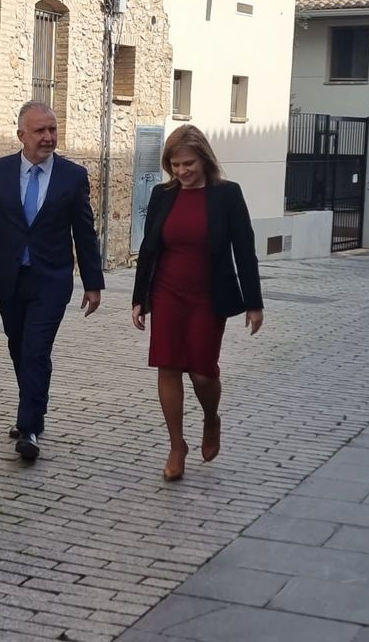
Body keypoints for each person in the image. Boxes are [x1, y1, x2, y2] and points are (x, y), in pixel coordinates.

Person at [0, 101, 103, 462]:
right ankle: (34, 408)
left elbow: (84, 233)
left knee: (35, 349)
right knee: (18, 346)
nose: (47, 137)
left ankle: (28, 426)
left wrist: (93, 283)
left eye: (52, 129)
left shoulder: (72, 177)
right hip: (8, 279)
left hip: (51, 280)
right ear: (21, 135)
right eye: (40, 131)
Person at [131, 124, 264, 482]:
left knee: (203, 372)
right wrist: (139, 299)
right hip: (167, 292)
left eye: (188, 164)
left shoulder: (227, 195)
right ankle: (177, 446)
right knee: (168, 366)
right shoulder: (162, 195)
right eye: (175, 165)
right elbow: (149, 248)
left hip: (208, 295)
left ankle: (210, 418)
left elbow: (244, 250)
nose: (181, 171)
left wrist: (254, 303)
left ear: (204, 159)